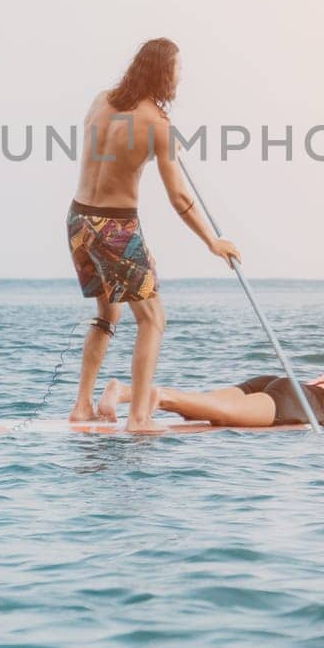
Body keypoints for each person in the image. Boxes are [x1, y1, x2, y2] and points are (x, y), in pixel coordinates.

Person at [66, 37, 241, 433]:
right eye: (177, 70)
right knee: (153, 319)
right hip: (115, 225)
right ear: (163, 74)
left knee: (108, 314)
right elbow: (179, 196)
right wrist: (213, 242)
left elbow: (106, 154)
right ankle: (139, 417)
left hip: (79, 220)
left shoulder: (100, 100)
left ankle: (81, 406)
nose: (181, 77)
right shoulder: (159, 125)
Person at [96, 327, 324, 427]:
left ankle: (125, 391)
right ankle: (155, 397)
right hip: (298, 402)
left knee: (204, 407)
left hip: (281, 383)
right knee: (214, 412)